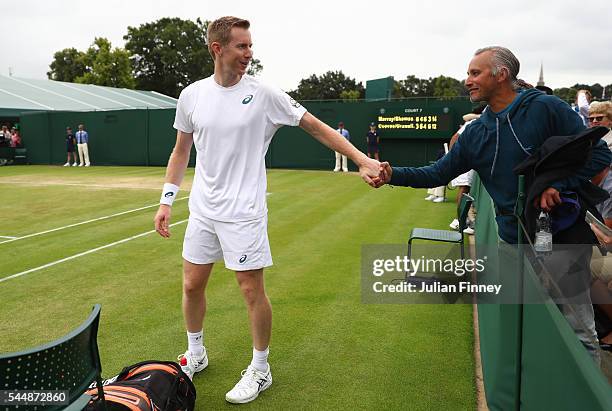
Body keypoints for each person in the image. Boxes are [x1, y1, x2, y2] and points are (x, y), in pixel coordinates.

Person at [153, 16, 380, 405]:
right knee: (191, 285)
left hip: (244, 212)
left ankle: (260, 368)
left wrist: (361, 159)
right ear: (217, 49)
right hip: (203, 210)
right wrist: (166, 199)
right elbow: (181, 150)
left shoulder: (265, 94)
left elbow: (315, 126)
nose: (249, 54)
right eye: (241, 46)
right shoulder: (191, 95)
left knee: (250, 290)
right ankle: (196, 353)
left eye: (250, 46)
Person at [376, 46, 611, 361]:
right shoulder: (475, 134)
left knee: (580, 332)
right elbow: (437, 173)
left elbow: (599, 153)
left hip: (560, 237)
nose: (467, 80)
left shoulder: (545, 108)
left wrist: (556, 184)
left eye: (475, 73)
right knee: (524, 328)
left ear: (502, 75)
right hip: (511, 243)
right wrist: (392, 175)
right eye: (468, 73)